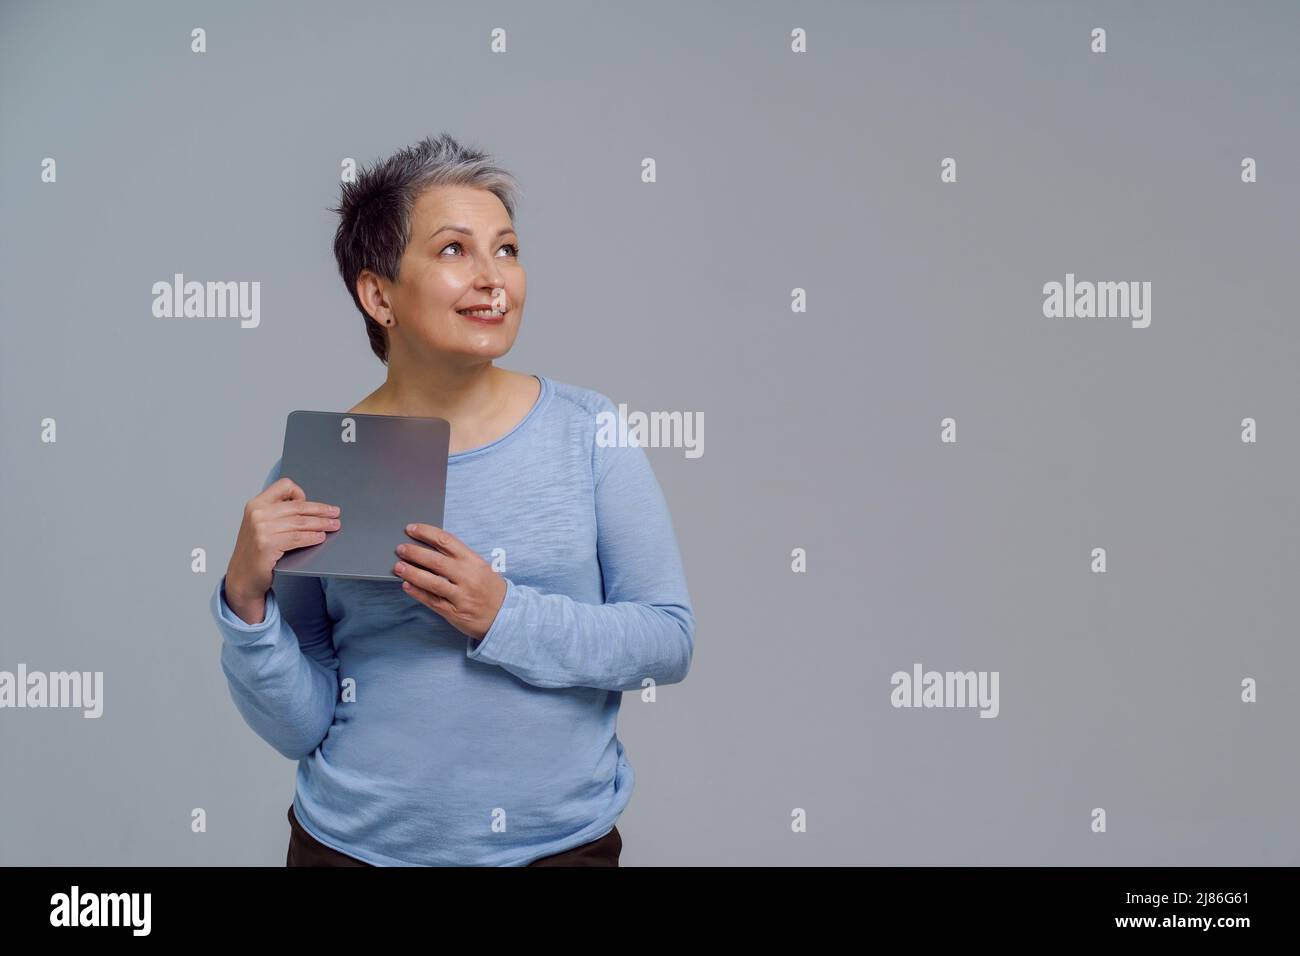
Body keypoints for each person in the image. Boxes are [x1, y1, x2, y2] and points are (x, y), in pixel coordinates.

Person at [210, 133, 695, 866]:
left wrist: (504, 614)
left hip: (558, 851)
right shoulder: (324, 463)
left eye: (506, 249)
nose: (493, 277)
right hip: (351, 850)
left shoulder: (586, 429)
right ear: (378, 296)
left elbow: (667, 640)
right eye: (453, 251)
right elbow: (299, 727)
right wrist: (246, 605)